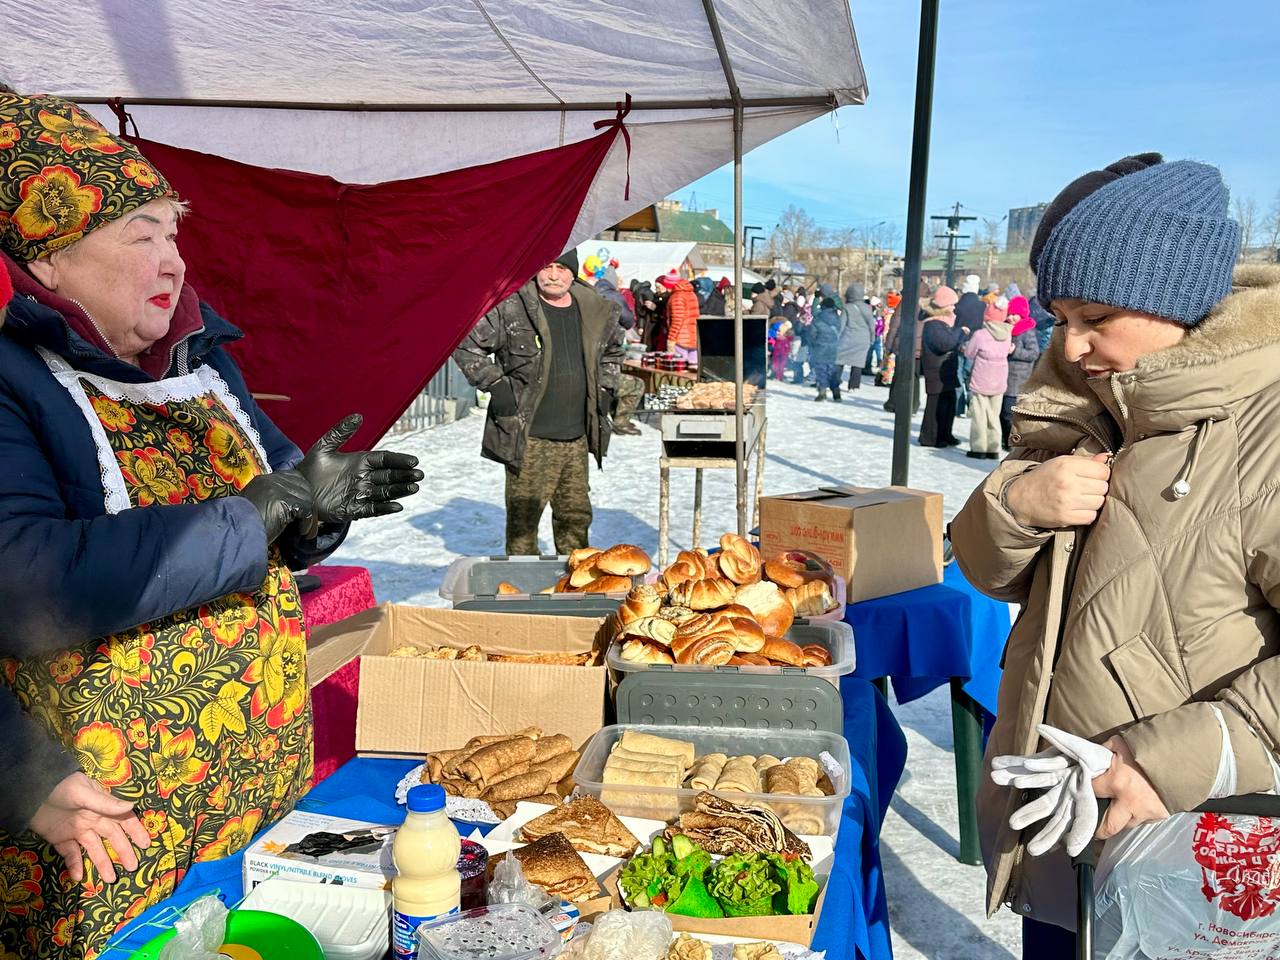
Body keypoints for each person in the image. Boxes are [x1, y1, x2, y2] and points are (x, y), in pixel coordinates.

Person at [0, 93, 423, 958]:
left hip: (254, 805)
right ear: (49, 264)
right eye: (139, 236)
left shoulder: (202, 365)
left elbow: (279, 509)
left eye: (174, 234)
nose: (174, 263)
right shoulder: (13, 385)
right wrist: (262, 511)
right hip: (111, 837)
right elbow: (25, 578)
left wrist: (315, 515)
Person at [949, 153, 1277, 958]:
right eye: (1059, 316)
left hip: (1199, 849)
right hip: (1067, 819)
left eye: (1095, 317)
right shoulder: (1087, 407)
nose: (1073, 344)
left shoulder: (1263, 433)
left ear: (1180, 301)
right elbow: (990, 572)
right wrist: (1016, 506)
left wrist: (1169, 760)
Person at [454, 249, 625, 555]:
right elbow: (465, 342)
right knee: (523, 524)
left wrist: (606, 386)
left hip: (576, 438)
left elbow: (613, 351)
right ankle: (522, 593)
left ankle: (573, 592)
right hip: (529, 438)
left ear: (573, 273)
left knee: (575, 520)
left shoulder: (596, 311)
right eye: (547, 267)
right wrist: (495, 383)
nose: (554, 275)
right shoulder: (512, 307)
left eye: (562, 268)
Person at [585, 265, 643, 436]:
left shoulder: (589, 294)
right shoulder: (613, 297)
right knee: (637, 385)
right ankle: (621, 422)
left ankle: (608, 414)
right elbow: (627, 319)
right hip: (601, 373)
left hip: (591, 365)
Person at [962, 298, 1015, 459]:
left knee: (979, 415)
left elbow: (969, 353)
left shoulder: (980, 334)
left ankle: (978, 448)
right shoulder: (1008, 334)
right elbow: (1008, 350)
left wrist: (964, 346)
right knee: (994, 415)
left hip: (981, 379)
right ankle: (993, 448)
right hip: (999, 380)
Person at [918, 285, 962, 445]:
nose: (954, 308)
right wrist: (961, 332)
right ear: (944, 306)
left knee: (948, 404)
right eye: (952, 304)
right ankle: (930, 437)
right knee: (935, 407)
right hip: (936, 371)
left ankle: (945, 434)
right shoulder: (934, 324)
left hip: (945, 371)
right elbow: (945, 344)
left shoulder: (944, 323)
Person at [1001, 295, 1041, 449]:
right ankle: (1005, 440)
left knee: (1008, 413)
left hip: (1018, 378)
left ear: (1022, 314)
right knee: (1002, 412)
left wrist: (1015, 350)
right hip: (1003, 376)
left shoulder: (1028, 331)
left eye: (1014, 314)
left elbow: (1033, 353)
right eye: (1009, 314)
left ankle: (1012, 442)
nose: (1011, 318)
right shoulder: (1005, 329)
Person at [837, 282, 875, 391]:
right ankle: (854, 386)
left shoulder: (847, 307)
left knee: (839, 360)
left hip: (848, 338)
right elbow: (871, 325)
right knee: (858, 363)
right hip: (863, 339)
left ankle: (835, 381)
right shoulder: (868, 308)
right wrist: (872, 338)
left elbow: (841, 324)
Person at [809, 295, 844, 402]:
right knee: (833, 371)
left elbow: (812, 334)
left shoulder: (818, 318)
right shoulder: (838, 319)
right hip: (835, 348)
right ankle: (836, 392)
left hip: (821, 348)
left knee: (821, 370)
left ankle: (822, 392)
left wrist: (814, 344)